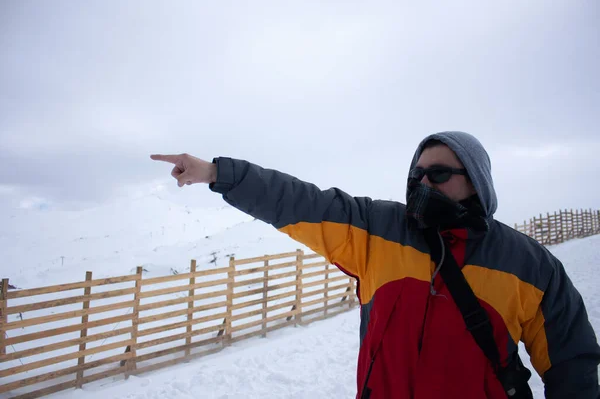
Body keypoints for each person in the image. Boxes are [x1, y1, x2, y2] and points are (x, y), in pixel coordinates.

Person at [151, 131, 600, 399]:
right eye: (416, 175)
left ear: (476, 182)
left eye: (438, 173)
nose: (423, 182)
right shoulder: (378, 231)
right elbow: (301, 201)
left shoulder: (529, 265)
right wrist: (216, 173)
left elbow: (573, 368)